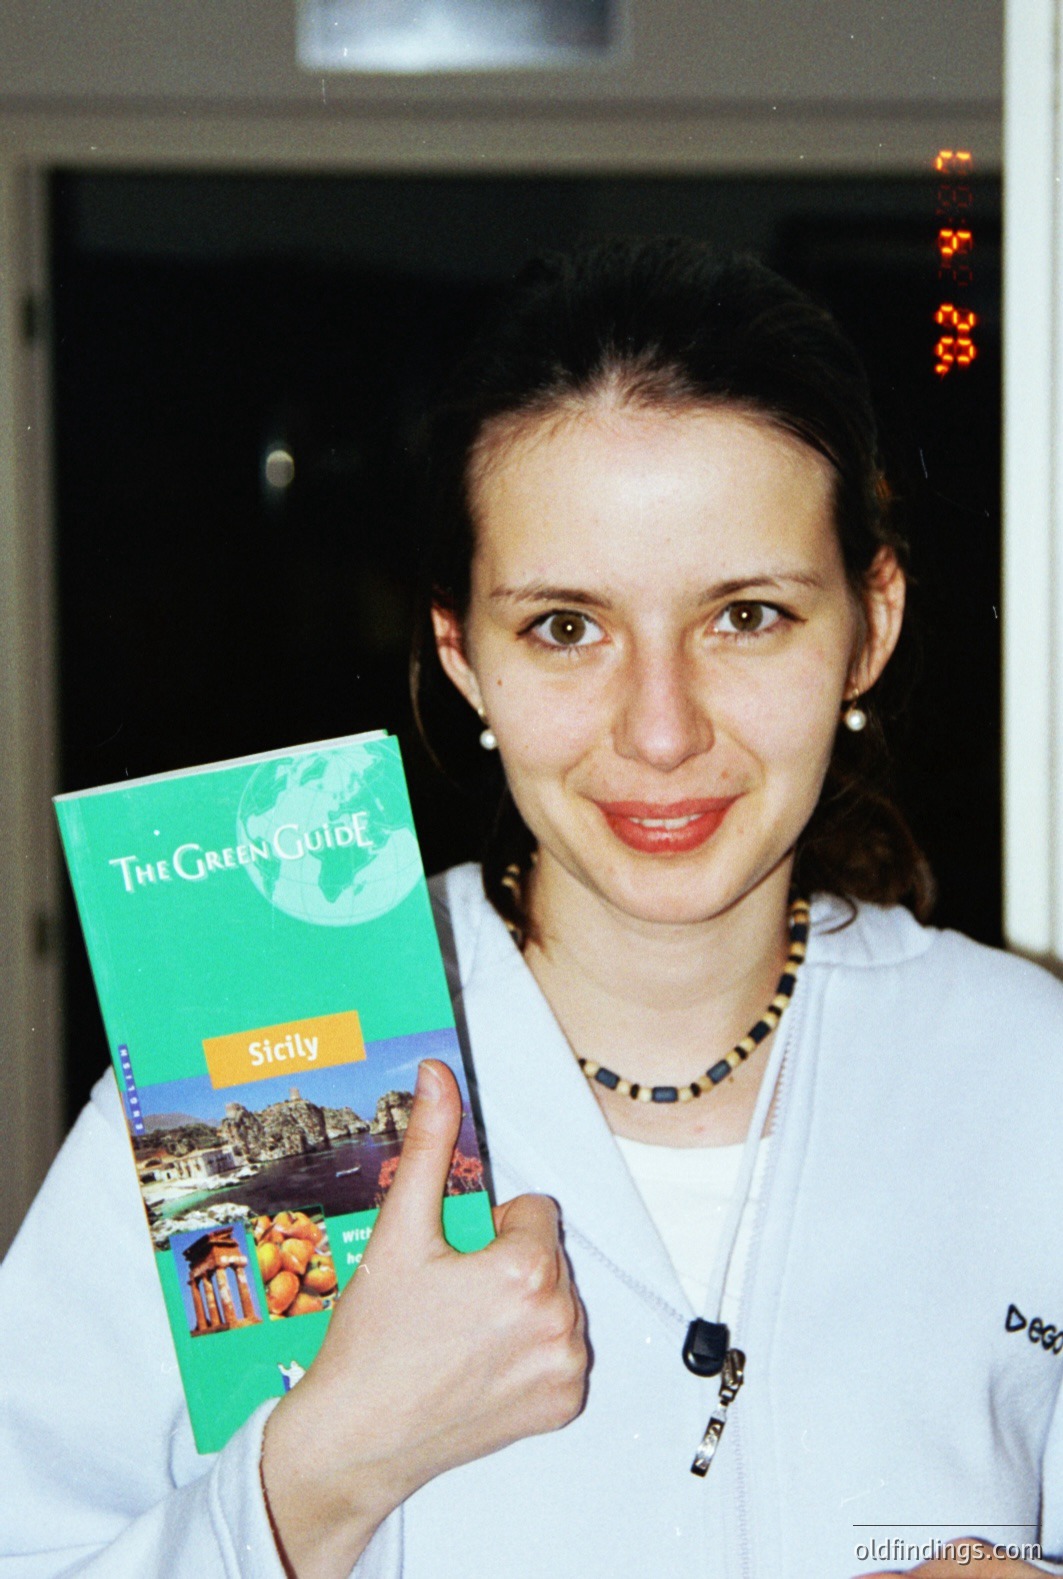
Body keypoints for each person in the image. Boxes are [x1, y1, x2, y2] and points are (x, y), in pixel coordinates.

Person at [2, 239, 1062, 1579]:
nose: (661, 731)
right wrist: (318, 1476)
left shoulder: (1034, 1082)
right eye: (568, 626)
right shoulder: (256, 1071)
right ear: (461, 651)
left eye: (746, 616)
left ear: (869, 625)